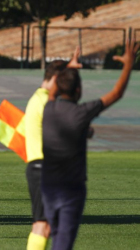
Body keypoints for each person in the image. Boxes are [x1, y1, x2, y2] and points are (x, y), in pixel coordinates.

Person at [41, 37, 139, 250]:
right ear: (78, 91)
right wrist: (129, 65)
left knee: (56, 237)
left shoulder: (48, 108)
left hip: (47, 187)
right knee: (63, 244)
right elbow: (116, 94)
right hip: (70, 190)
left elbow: (52, 89)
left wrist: (67, 68)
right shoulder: (81, 113)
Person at [24, 48, 81, 249]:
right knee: (42, 225)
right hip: (43, 167)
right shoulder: (43, 101)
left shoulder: (38, 98)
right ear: (55, 78)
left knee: (46, 224)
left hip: (41, 167)